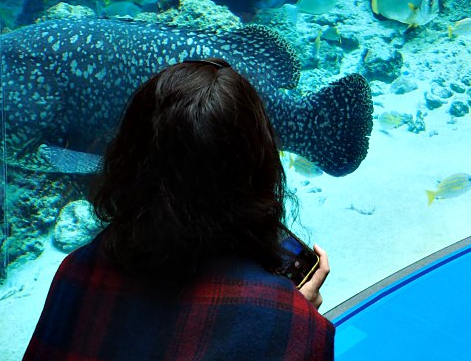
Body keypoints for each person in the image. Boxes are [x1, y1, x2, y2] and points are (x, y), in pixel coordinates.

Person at [23, 58, 334, 361]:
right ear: (261, 168)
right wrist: (295, 322)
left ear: (124, 159)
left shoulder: (75, 272)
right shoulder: (288, 325)